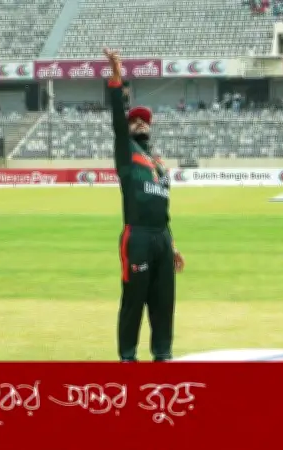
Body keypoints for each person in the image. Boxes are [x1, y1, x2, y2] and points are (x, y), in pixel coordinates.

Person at [104, 48, 185, 362]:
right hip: (136, 236)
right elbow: (117, 117)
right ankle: (128, 356)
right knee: (134, 300)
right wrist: (117, 77)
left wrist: (172, 244)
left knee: (164, 301)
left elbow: (163, 208)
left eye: (144, 120)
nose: (140, 123)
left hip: (161, 236)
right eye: (134, 120)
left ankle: (163, 354)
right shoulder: (126, 151)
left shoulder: (159, 163)